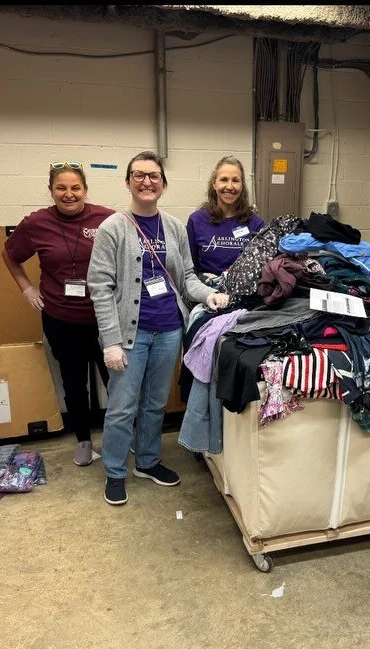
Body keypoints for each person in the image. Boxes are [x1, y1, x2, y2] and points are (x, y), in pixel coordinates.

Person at [88, 151, 229, 506]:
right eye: (139, 175)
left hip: (168, 331)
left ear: (163, 185)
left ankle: (147, 462)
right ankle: (116, 470)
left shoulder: (174, 227)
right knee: (122, 407)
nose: (146, 181)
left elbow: (187, 279)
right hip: (130, 336)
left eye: (153, 176)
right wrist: (111, 341)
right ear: (128, 182)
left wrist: (210, 295)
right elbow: (100, 287)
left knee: (154, 404)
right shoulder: (112, 228)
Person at [2, 162, 114, 467]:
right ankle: (83, 440)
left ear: (85, 190)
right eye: (61, 188)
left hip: (104, 317)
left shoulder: (107, 218)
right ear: (51, 190)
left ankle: (118, 437)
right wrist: (27, 288)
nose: (69, 194)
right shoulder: (36, 223)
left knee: (116, 381)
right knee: (74, 383)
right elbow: (9, 255)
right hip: (61, 318)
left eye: (75, 187)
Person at [186, 156, 264, 283]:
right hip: (207, 292)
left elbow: (260, 269)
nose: (229, 186)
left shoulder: (256, 224)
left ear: (242, 185)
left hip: (242, 293)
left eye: (235, 180)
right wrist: (203, 279)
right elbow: (188, 269)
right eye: (224, 180)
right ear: (214, 184)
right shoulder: (196, 220)